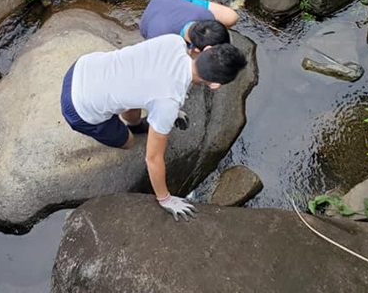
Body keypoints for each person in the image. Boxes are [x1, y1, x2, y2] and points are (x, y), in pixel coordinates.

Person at [60, 34, 247, 220]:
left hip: (84, 67)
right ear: (214, 85)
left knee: (134, 87)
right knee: (129, 141)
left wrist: (172, 110)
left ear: (206, 49)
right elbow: (153, 158)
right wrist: (165, 199)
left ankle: (134, 123)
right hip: (79, 107)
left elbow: (153, 73)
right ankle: (129, 129)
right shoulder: (167, 103)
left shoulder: (174, 41)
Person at [139, 0, 239, 53]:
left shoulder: (206, 15)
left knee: (230, 17)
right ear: (196, 50)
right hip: (151, 22)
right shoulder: (162, 41)